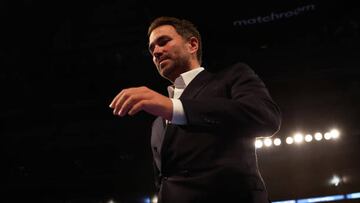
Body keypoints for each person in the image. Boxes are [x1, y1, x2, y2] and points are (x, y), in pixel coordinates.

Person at [109, 16, 281, 203]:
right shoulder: (158, 122)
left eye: (163, 42)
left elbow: (266, 118)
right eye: (151, 49)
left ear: (192, 45)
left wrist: (175, 108)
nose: (156, 52)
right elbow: (163, 181)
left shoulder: (232, 76)